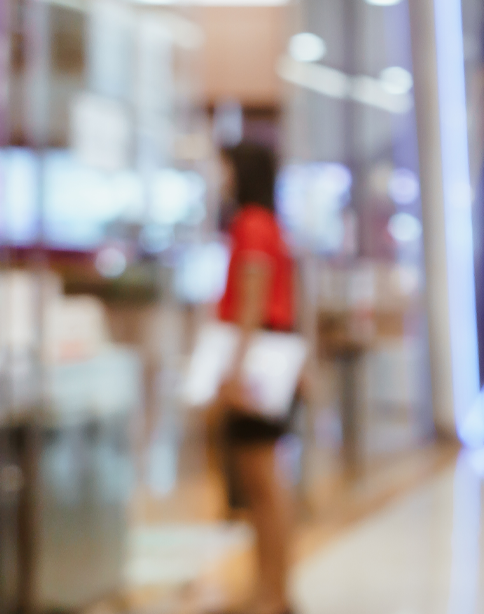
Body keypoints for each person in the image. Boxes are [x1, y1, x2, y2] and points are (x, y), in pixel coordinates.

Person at [213, 142, 298, 614]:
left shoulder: (250, 224)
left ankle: (272, 591)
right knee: (267, 482)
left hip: (258, 360)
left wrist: (235, 368)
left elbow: (253, 294)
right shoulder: (271, 225)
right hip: (272, 353)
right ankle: (271, 588)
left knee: (262, 481)